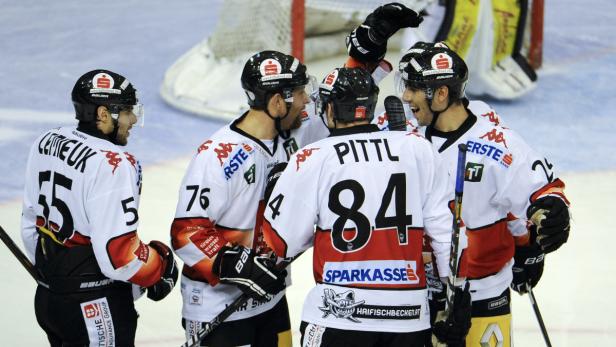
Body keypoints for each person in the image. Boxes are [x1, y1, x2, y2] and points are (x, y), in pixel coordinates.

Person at [261, 66, 471, 346]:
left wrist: (281, 189)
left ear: (331, 111)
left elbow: (281, 242)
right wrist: (458, 295)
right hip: (408, 316)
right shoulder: (417, 148)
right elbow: (448, 234)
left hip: (337, 314)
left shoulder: (311, 157)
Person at [398, 46, 571, 346]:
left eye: (413, 88)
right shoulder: (403, 135)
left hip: (481, 295)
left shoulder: (495, 145)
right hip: (413, 296)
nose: (405, 97)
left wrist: (542, 228)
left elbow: (542, 194)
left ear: (440, 94)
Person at [170, 50, 327, 347]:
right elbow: (186, 233)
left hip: (270, 299)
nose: (306, 100)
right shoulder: (219, 156)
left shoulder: (290, 136)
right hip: (218, 308)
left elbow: (338, 109)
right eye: (299, 92)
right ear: (277, 102)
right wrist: (239, 264)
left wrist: (366, 52)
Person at [20, 69, 178, 346]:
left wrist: (55, 278)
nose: (132, 119)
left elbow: (30, 224)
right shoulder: (115, 163)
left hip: (48, 300)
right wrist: (158, 267)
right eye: (127, 110)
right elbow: (120, 256)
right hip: (94, 306)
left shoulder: (47, 140)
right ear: (103, 114)